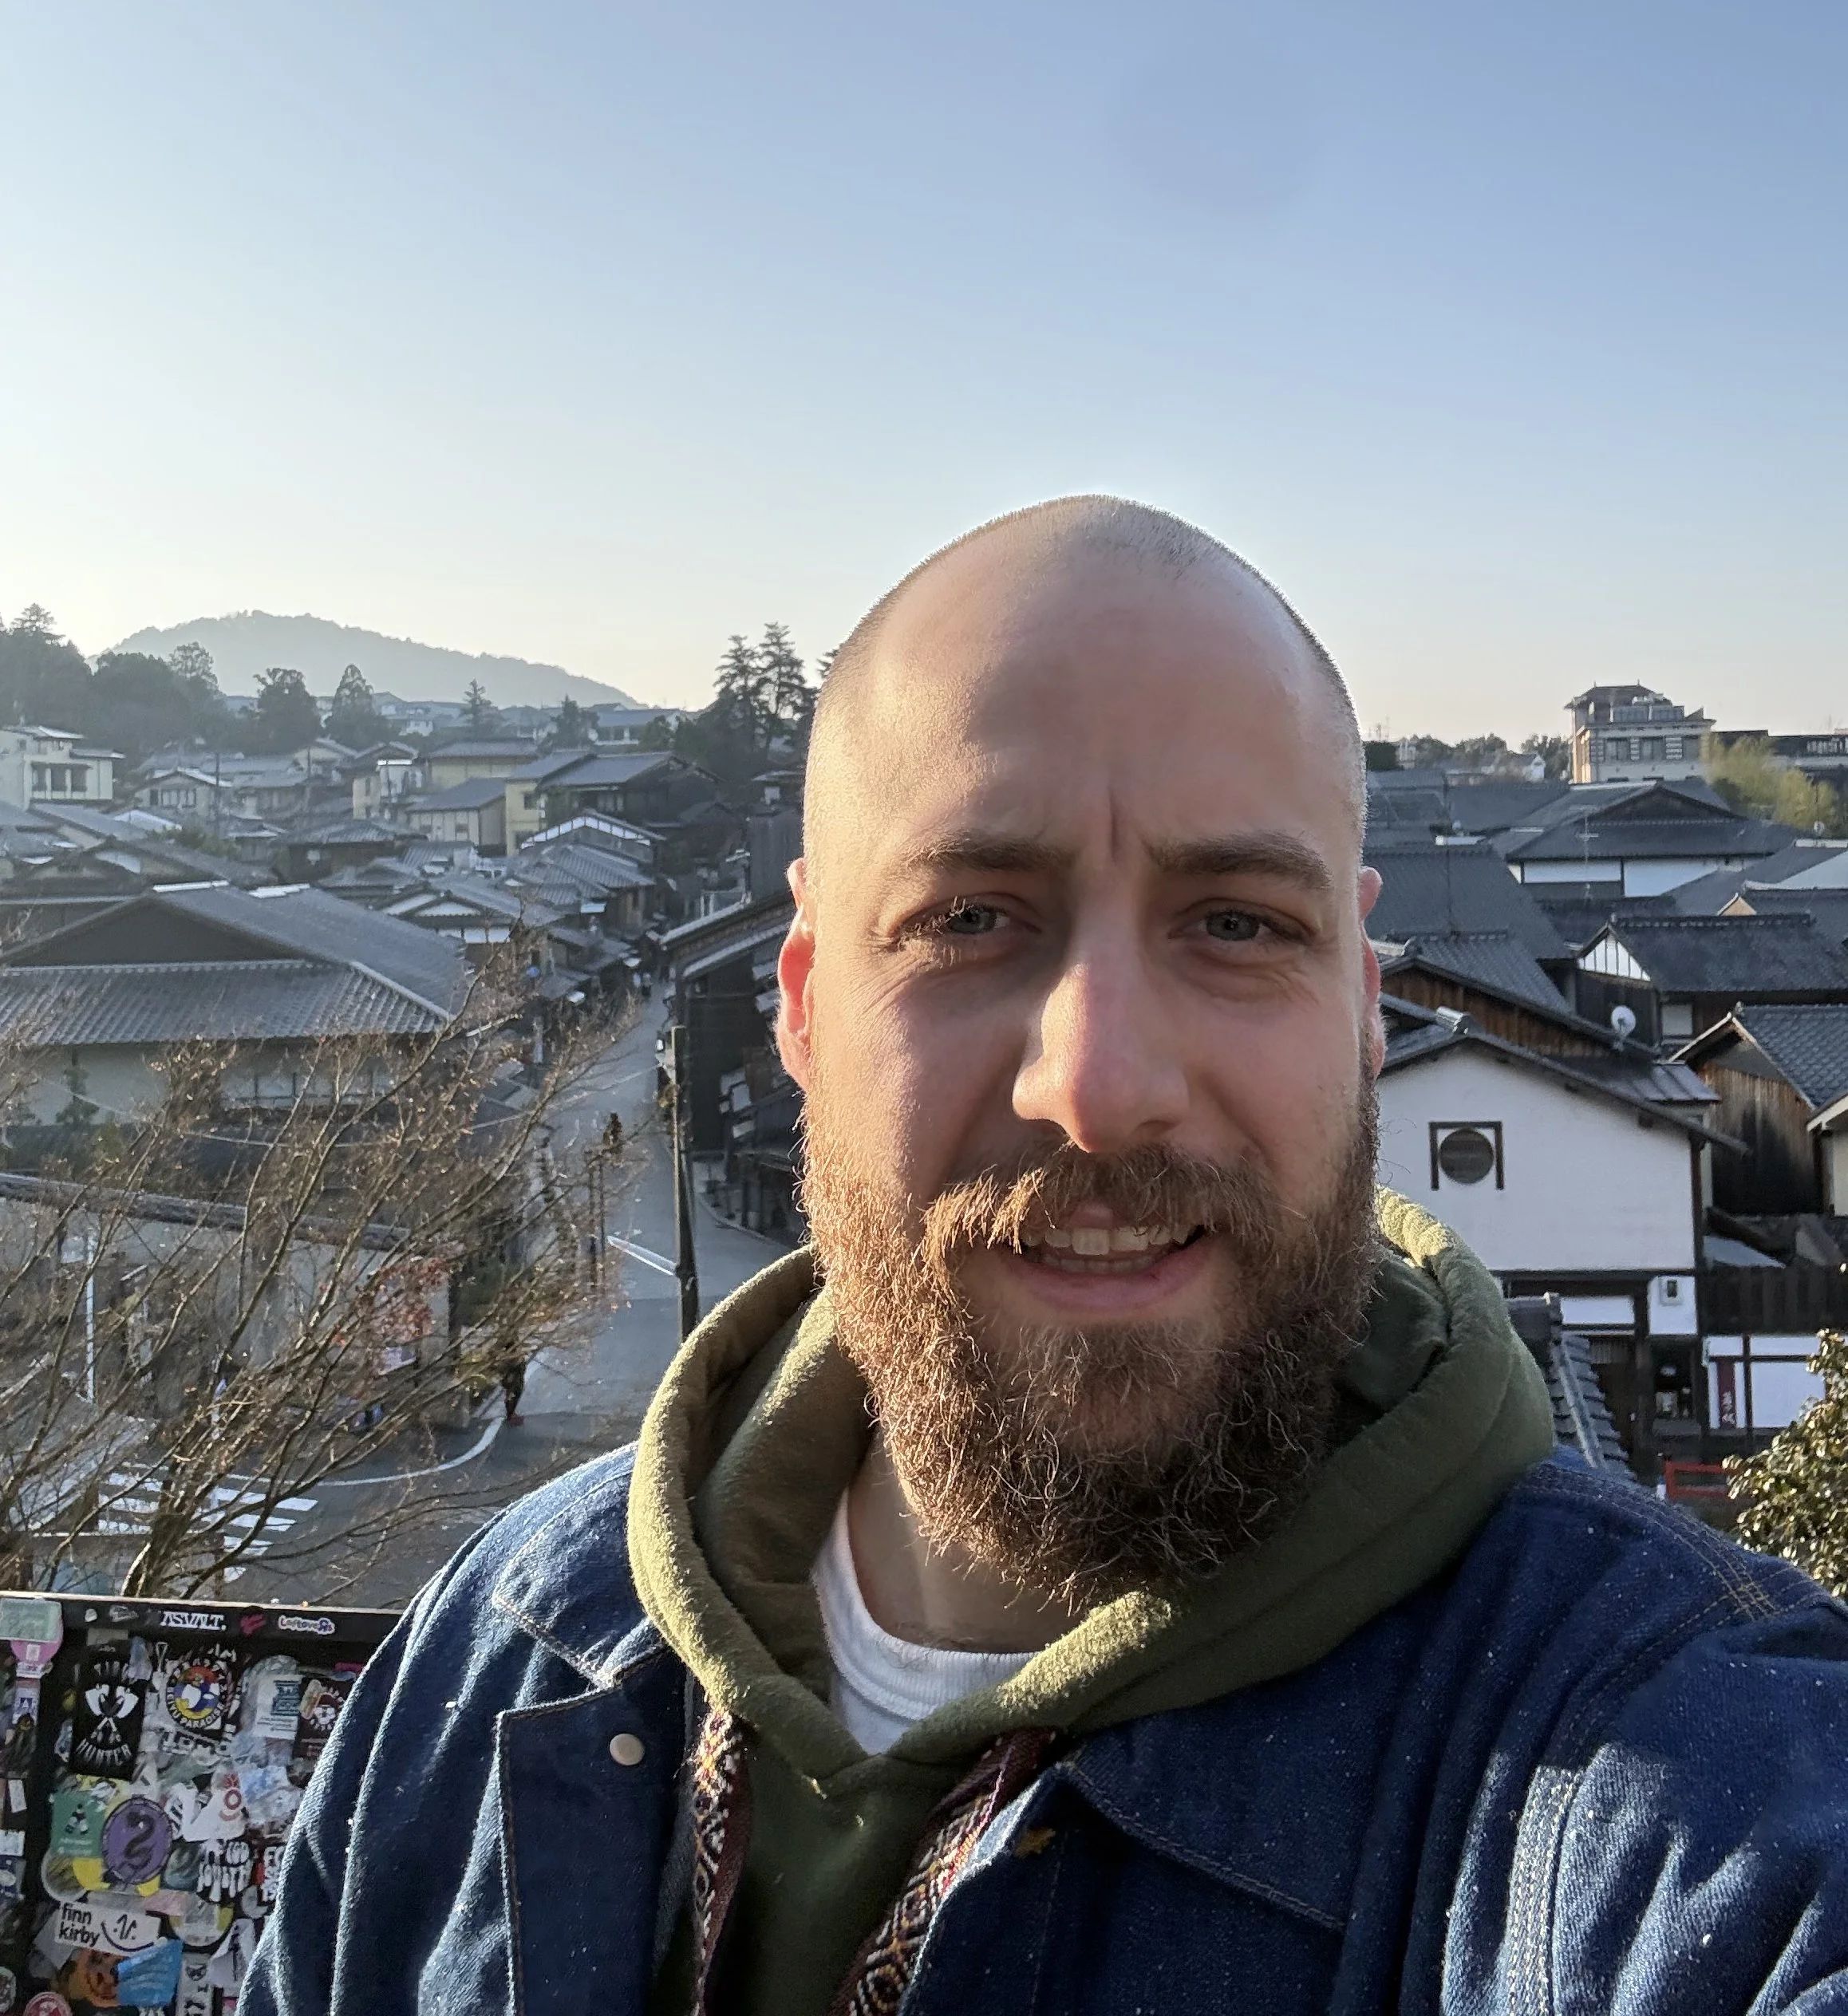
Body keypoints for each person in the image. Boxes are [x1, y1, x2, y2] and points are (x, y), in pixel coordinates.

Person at [249, 499, 1848, 2016]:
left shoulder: (1674, 1777)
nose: (1096, 1082)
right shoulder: (494, 1659)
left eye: (1234, 922)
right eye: (969, 918)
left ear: (1365, 1003)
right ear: (802, 999)